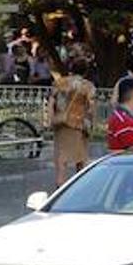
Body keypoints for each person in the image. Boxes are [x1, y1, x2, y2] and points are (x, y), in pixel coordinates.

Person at [48, 57, 96, 186]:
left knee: (61, 154)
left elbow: (51, 101)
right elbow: (90, 107)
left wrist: (51, 118)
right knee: (80, 156)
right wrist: (91, 123)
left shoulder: (60, 83)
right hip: (79, 124)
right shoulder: (88, 86)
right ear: (86, 71)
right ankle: (78, 184)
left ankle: (60, 182)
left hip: (61, 122)